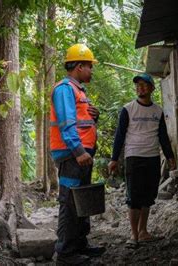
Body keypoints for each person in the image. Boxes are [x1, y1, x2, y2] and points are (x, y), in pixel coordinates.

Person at [50, 43, 106, 264]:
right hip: (72, 155)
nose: (91, 70)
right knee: (70, 202)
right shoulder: (64, 88)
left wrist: (95, 116)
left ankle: (80, 244)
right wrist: (79, 151)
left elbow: (82, 122)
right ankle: (65, 253)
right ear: (79, 66)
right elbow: (66, 124)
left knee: (82, 200)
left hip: (81, 154)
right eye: (89, 66)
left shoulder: (78, 90)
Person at [108, 73, 176, 249]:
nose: (140, 87)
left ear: (152, 88)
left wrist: (170, 157)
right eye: (138, 85)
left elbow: (163, 136)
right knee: (134, 197)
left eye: (144, 84)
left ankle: (144, 232)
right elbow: (119, 136)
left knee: (148, 196)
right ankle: (134, 235)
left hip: (152, 157)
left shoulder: (158, 111)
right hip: (134, 157)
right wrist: (114, 159)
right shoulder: (128, 109)